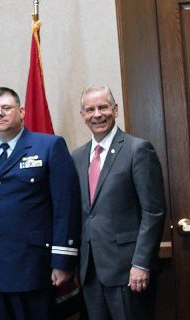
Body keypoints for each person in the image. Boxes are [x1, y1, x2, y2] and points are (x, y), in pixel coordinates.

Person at [0, 87, 81, 319]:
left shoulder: (49, 146)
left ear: (21, 111)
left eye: (6, 108)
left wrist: (63, 261)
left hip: (32, 265)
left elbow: (66, 207)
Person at [72, 85, 166, 319]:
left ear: (115, 110)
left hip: (128, 271)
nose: (97, 114)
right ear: (82, 115)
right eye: (90, 109)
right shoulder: (77, 157)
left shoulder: (137, 150)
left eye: (103, 107)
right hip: (90, 273)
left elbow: (153, 212)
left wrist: (141, 264)